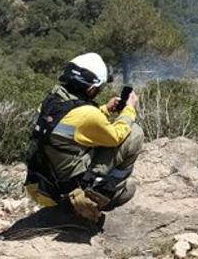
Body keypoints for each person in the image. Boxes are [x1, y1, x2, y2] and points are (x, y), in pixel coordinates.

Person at [24, 52, 143, 222]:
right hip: (72, 184)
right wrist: (129, 109)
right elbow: (116, 136)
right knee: (135, 132)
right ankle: (105, 195)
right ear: (91, 88)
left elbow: (74, 124)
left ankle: (75, 197)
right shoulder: (87, 114)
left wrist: (105, 110)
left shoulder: (50, 102)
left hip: (49, 183)